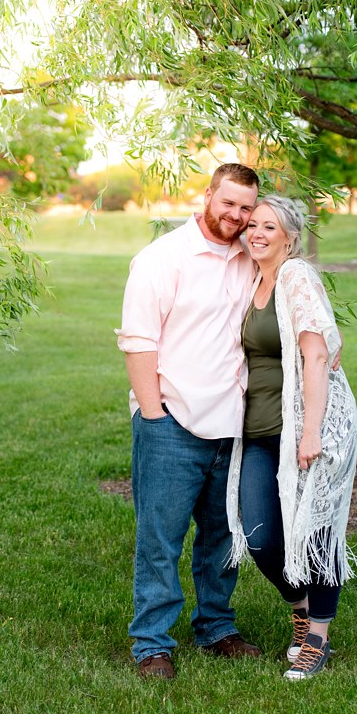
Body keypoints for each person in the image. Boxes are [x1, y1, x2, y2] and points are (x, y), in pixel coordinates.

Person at [117, 162, 264, 679]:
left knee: (223, 540)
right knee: (161, 539)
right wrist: (154, 417)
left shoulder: (251, 258)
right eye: (229, 203)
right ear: (207, 195)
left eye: (246, 207)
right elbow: (138, 342)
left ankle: (216, 628)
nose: (237, 215)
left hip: (232, 424)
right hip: (172, 422)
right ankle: (151, 643)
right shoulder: (162, 259)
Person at [225, 194, 357, 680]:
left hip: (309, 429)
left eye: (269, 226)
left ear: (290, 237)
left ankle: (317, 640)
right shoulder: (251, 277)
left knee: (316, 531)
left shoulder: (295, 276)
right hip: (260, 430)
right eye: (253, 224)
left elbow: (317, 355)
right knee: (259, 533)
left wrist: (312, 433)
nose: (256, 232)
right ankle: (301, 607)